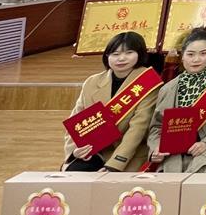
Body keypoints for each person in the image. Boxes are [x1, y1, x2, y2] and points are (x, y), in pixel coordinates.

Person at [62, 32, 162, 171]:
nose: (121, 58)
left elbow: (138, 129)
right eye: (115, 54)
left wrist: (114, 166)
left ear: (140, 54)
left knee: (108, 180)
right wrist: (75, 150)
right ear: (107, 56)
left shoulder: (147, 82)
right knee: (74, 173)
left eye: (129, 53)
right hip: (94, 150)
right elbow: (76, 120)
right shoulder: (92, 82)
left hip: (128, 153)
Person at [147, 28, 206, 173]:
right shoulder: (168, 88)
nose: (196, 59)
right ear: (182, 56)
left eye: (203, 53)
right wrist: (156, 148)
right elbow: (157, 126)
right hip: (173, 153)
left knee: (202, 171)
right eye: (190, 54)